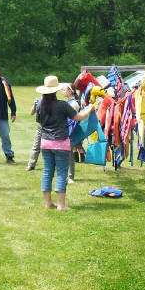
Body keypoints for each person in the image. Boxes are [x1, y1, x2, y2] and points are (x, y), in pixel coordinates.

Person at [36, 76, 95, 211]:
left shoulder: (40, 104)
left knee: (47, 172)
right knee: (62, 173)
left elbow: (39, 122)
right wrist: (90, 110)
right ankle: (61, 205)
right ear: (55, 90)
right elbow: (78, 117)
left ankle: (48, 203)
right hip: (61, 142)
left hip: (45, 142)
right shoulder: (63, 105)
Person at [61, 83, 85, 184]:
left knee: (69, 154)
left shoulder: (74, 104)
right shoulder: (70, 102)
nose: (62, 91)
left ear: (70, 91)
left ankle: (70, 176)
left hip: (70, 131)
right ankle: (66, 175)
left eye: (64, 90)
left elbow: (72, 119)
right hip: (66, 130)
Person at [25, 97, 42, 171]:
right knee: (36, 146)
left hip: (51, 127)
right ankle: (31, 165)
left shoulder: (54, 101)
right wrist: (34, 105)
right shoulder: (38, 101)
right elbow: (31, 113)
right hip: (40, 126)